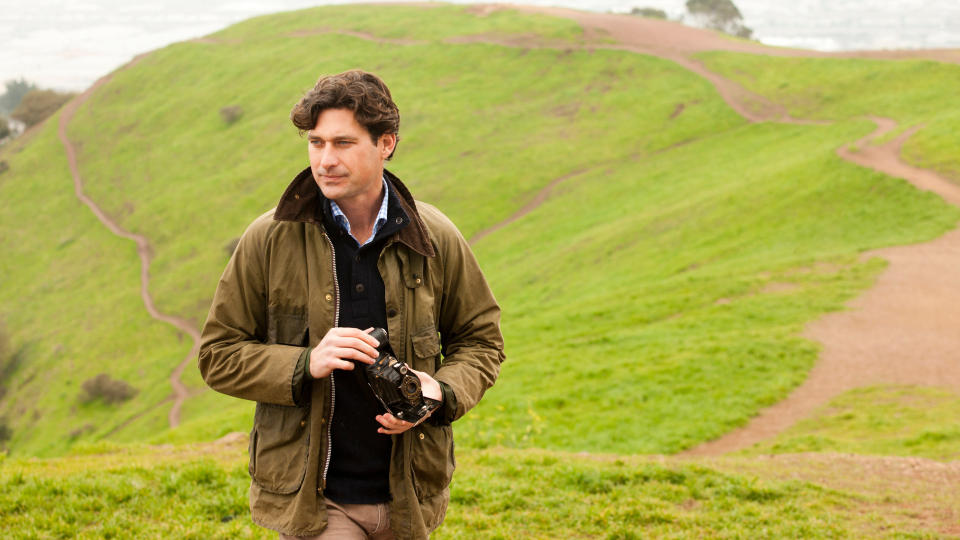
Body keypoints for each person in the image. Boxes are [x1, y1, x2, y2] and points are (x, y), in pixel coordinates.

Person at [198, 70, 504, 539]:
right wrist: (305, 362)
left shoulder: (436, 236)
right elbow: (217, 356)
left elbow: (481, 341)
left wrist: (440, 391)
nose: (325, 160)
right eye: (316, 143)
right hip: (316, 502)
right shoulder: (269, 238)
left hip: (409, 497)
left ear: (386, 144)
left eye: (342, 143)